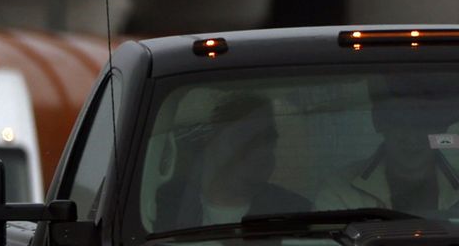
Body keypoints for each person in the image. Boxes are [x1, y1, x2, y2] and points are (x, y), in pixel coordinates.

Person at [153, 93, 309, 230]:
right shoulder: (159, 208)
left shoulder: (296, 215)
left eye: (268, 140)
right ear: (211, 141)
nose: (260, 152)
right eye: (247, 140)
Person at [318, 76, 459, 214]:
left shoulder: (341, 192)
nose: (412, 137)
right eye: (400, 122)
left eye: (423, 123)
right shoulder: (339, 192)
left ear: (441, 127)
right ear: (378, 122)